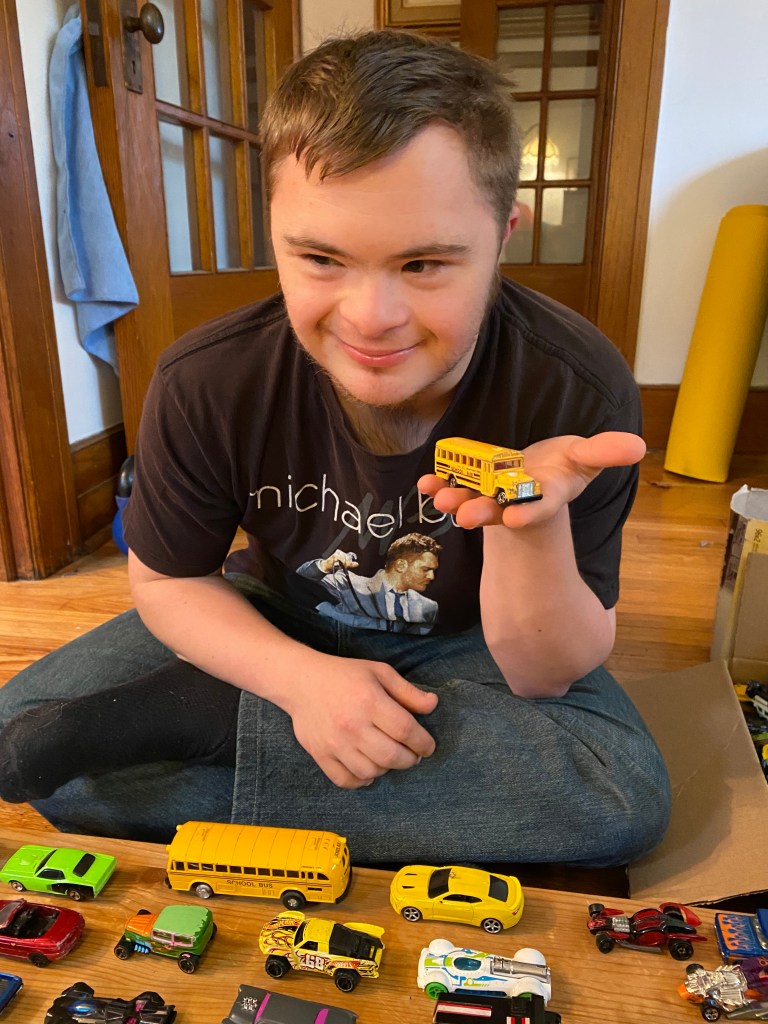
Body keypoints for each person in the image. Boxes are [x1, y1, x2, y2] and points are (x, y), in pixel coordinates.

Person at [0, 29, 670, 864]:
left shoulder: (574, 388)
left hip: (475, 652)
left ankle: (217, 726)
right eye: (320, 257)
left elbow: (543, 677)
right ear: (275, 227)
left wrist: (529, 526)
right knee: (18, 730)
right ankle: (309, 746)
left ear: (503, 234)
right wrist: (298, 684)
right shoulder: (208, 378)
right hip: (284, 620)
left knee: (622, 793)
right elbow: (170, 584)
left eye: (424, 263)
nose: (368, 318)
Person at [296, 534, 441, 633]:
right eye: (426, 569)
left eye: (433, 570)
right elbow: (301, 578)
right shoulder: (351, 583)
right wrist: (325, 565)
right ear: (401, 565)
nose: (432, 576)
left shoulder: (428, 608)